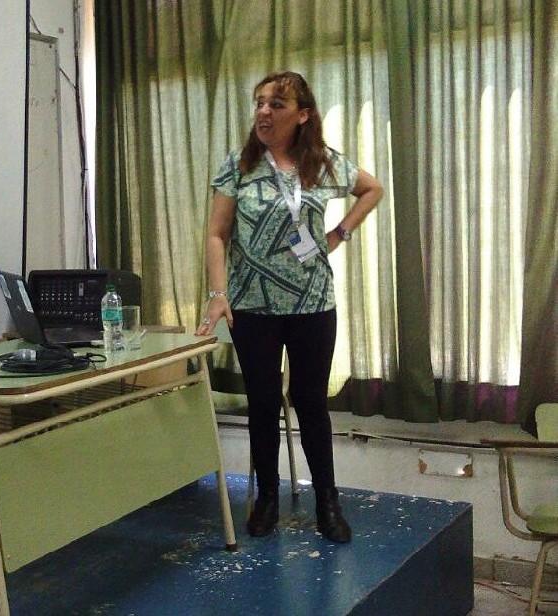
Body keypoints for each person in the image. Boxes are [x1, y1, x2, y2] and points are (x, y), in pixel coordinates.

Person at [195, 71, 383, 543]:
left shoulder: (322, 163)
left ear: (302, 115)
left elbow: (373, 189)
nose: (263, 112)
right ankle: (266, 499)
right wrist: (218, 295)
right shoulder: (238, 166)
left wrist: (341, 233)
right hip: (252, 307)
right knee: (262, 403)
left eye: (276, 104)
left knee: (311, 402)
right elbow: (216, 234)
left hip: (312, 304)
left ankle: (327, 502)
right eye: (259, 102)